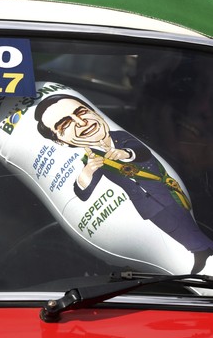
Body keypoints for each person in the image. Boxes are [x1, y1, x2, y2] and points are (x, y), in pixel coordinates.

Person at [33, 93, 213, 274]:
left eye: (81, 112)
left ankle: (207, 250)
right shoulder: (91, 159)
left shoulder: (121, 137)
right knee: (173, 230)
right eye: (66, 124)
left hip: (163, 192)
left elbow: (141, 152)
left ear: (94, 112)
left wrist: (125, 154)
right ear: (60, 141)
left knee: (183, 222)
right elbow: (83, 194)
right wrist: (86, 174)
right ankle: (197, 254)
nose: (81, 123)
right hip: (145, 205)